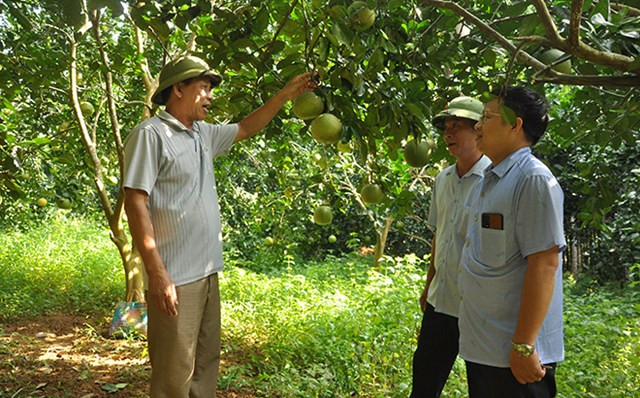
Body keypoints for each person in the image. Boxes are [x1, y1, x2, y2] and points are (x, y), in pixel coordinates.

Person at [122, 55, 316, 398]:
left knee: (205, 364)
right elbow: (135, 201)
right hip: (176, 276)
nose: (210, 96)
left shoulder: (203, 135)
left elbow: (245, 127)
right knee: (173, 374)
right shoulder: (151, 134)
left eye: (211, 89)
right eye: (204, 88)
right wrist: (158, 273)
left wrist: (285, 95)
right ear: (178, 88)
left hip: (207, 272)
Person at [458, 86, 566, 397]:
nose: (477, 126)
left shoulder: (533, 180)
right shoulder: (490, 179)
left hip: (514, 356)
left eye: (486, 117)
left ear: (515, 125)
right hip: (485, 348)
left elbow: (545, 265)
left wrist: (523, 345)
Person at [410, 96, 491, 397]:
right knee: (424, 384)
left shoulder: (495, 180)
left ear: (479, 131)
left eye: (457, 126)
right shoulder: (442, 180)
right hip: (439, 303)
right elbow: (440, 236)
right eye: (446, 127)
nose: (448, 134)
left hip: (477, 307)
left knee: (483, 387)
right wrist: (428, 285)